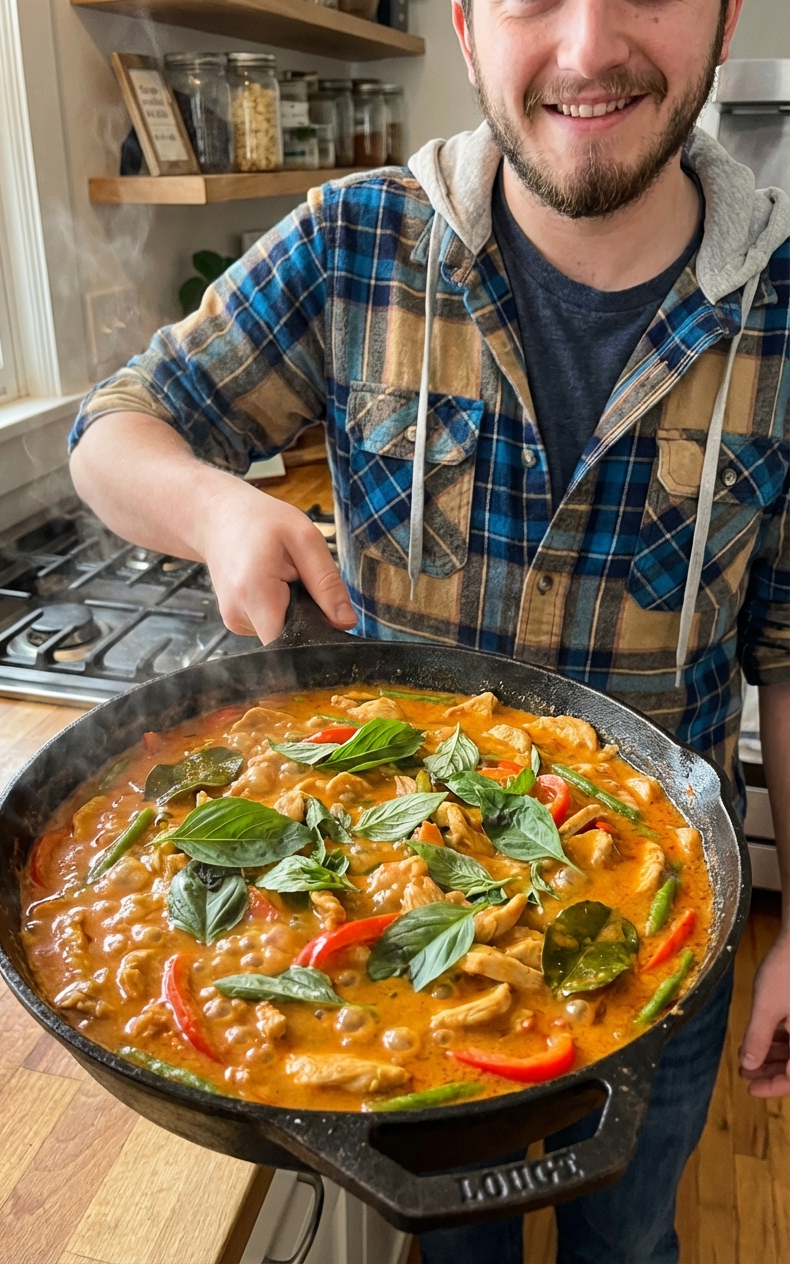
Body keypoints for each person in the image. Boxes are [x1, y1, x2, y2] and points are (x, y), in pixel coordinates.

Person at [69, 0, 789, 1254]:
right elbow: (115, 429)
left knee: (628, 1244)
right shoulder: (353, 245)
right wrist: (216, 510)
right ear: (464, 26)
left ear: (724, 15)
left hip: (663, 958)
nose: (584, 48)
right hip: (384, 964)